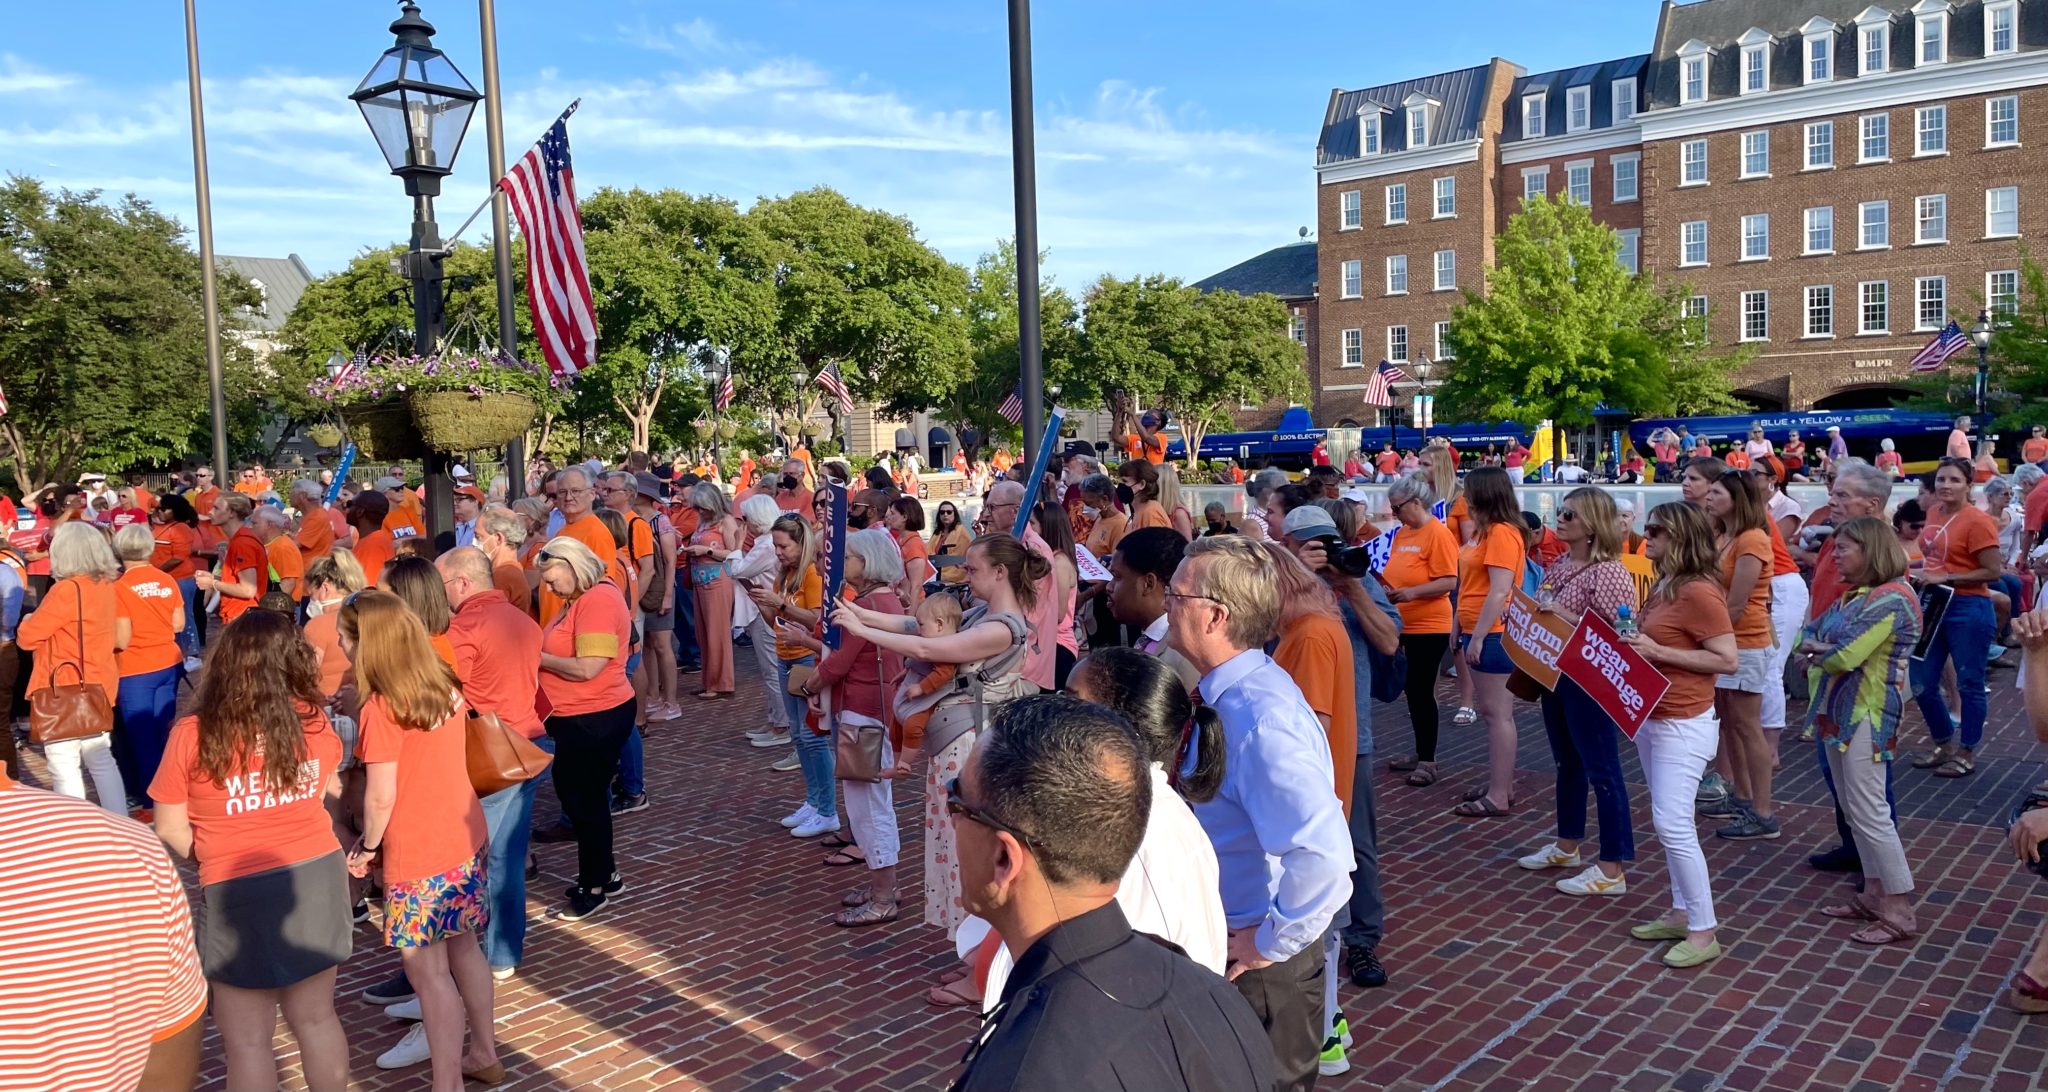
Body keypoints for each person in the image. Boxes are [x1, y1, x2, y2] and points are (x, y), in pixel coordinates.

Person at [945, 694, 1277, 1091]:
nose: (951, 820)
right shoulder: (1214, 995)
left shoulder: (1024, 1071)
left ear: (1004, 857)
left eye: (956, 800)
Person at [1163, 535, 1350, 1091]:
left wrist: (1270, 943)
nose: (1167, 607)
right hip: (1237, 947)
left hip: (1259, 966)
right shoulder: (1235, 697)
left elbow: (1323, 855)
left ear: (1216, 615)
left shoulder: (1261, 719)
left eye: (1177, 596)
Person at [830, 532, 1043, 1007]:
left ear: (1000, 573)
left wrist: (862, 628)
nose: (965, 576)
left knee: (971, 856)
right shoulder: (983, 615)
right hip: (957, 740)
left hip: (970, 743)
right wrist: (861, 615)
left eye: (973, 568)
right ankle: (976, 961)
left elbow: (930, 650)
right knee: (958, 851)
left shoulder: (1002, 627)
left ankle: (984, 970)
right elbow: (916, 624)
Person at [147, 610, 351, 1092]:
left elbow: (171, 827)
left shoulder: (194, 734)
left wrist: (211, 853)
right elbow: (321, 788)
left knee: (248, 1041)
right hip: (315, 873)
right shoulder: (314, 720)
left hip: (234, 882)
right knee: (317, 1019)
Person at [337, 590, 502, 1086]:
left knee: (428, 975)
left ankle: (446, 1081)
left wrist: (366, 848)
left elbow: (381, 796)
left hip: (419, 847)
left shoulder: (383, 706)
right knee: (465, 949)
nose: (343, 649)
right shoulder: (441, 682)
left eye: (347, 640)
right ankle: (485, 1052)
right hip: (462, 829)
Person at [0, 754, 208, 1091]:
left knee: (66, 760)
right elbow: (167, 1054)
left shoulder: (191, 731)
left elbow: (171, 825)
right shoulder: (128, 847)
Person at [1620, 502, 1739, 969]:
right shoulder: (1666, 585)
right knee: (1668, 820)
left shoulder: (1697, 592)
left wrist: (1655, 650)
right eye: (1647, 528)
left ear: (1681, 538)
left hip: (1683, 720)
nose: (1646, 536)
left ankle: (1704, 928)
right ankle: (1680, 911)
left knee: (1673, 823)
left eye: (1657, 531)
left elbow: (1727, 659)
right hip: (1655, 714)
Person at [1794, 516, 1922, 946]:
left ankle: (1900, 907)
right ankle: (1873, 892)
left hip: (1868, 712)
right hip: (1839, 710)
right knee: (1854, 807)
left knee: (1869, 810)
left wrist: (1819, 651)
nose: (1835, 556)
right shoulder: (1857, 597)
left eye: (1844, 549)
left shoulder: (1893, 599)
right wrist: (1819, 649)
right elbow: (1808, 633)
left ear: (1869, 550)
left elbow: (1845, 656)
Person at [1516, 488, 1639, 895]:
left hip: (1590, 680)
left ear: (1591, 525)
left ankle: (1611, 867)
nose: (1561, 518)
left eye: (1570, 513)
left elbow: (1624, 633)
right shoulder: (1562, 561)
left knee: (1603, 770)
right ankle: (1567, 844)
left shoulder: (1610, 571)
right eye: (1562, 512)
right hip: (1557, 672)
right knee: (1568, 763)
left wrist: (1560, 614)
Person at [438, 547, 547, 979]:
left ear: (462, 583)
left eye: (444, 585)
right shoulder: (523, 619)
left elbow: (448, 690)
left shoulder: (464, 627)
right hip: (528, 743)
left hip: (486, 751)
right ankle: (503, 951)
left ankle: (464, 953)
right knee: (507, 856)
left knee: (466, 858)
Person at [791, 528, 908, 921]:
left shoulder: (870, 604)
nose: (841, 565)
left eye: (849, 557)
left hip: (865, 715)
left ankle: (883, 896)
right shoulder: (886, 601)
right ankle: (884, 885)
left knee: (867, 808)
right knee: (873, 804)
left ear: (867, 562)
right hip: (876, 711)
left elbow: (839, 663)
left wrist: (809, 684)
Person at [533, 536, 638, 923]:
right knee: (580, 796)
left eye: (550, 579)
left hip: (595, 715)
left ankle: (594, 884)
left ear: (572, 566)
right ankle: (604, 873)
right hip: (582, 715)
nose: (547, 587)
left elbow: (589, 667)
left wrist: (536, 656)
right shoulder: (583, 598)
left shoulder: (597, 600)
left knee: (584, 799)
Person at [1694, 466, 1781, 840]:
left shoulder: (1752, 540)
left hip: (1743, 641)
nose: (1709, 498)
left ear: (1737, 499)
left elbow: (1736, 603)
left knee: (1747, 726)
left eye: (1716, 493)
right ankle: (1743, 796)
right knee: (1731, 724)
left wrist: (1704, 638)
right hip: (1725, 639)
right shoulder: (1723, 536)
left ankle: (1762, 811)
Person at [19, 521, 125, 810]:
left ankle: (81, 825)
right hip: (98, 681)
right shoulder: (105, 584)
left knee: (63, 764)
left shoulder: (65, 590)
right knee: (101, 759)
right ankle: (120, 821)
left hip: (63, 686)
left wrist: (28, 621)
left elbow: (28, 638)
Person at [1910, 457, 2004, 777]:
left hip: (1968, 609)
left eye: (1953, 480)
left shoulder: (1978, 521)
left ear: (1969, 485)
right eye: (1940, 480)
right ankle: (1944, 744)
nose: (1945, 486)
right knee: (1921, 679)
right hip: (1934, 604)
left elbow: (1992, 571)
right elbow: (1933, 556)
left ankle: (1967, 750)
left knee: (1969, 682)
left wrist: (1947, 576)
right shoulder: (1933, 511)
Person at [750, 515, 834, 838]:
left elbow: (816, 620)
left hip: (805, 657)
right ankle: (813, 801)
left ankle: (826, 808)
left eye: (783, 546)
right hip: (786, 656)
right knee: (799, 735)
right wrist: (763, 604)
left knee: (813, 737)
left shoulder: (812, 574)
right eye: (775, 546)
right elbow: (776, 623)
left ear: (802, 544)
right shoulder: (783, 575)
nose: (778, 552)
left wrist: (780, 604)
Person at [1454, 467, 1527, 818]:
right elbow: (1469, 584)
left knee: (1497, 714)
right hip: (1476, 627)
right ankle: (1502, 783)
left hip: (1494, 632)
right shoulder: (1484, 533)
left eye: (1468, 492)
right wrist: (1459, 625)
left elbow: (1499, 590)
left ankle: (1500, 793)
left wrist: (1478, 635)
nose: (1463, 499)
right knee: (1493, 714)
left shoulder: (1501, 533)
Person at [1380, 475, 1458, 786]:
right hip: (1404, 622)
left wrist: (1412, 593)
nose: (1394, 513)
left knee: (1422, 690)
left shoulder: (1437, 534)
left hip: (1430, 624)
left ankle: (1428, 759)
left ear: (1416, 503)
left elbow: (1449, 581)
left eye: (1398, 507)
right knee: (1412, 691)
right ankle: (1420, 750)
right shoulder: (1401, 534)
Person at [110, 524, 184, 814]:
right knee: (163, 729)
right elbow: (178, 623)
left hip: (135, 667)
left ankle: (152, 801)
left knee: (141, 737)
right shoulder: (166, 579)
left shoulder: (119, 587)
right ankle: (172, 790)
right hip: (168, 662)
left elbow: (122, 637)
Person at [1108, 527, 1201, 690]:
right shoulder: (1150, 638)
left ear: (1148, 584)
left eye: (1117, 577)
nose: (1109, 587)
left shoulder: (1181, 658)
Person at [628, 474, 681, 723]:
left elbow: (670, 561)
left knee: (662, 645)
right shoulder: (635, 520)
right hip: (643, 591)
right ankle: (652, 695)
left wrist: (667, 595)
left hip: (659, 591)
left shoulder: (661, 522)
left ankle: (671, 701)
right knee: (647, 644)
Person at [682, 482, 740, 705]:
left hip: (717, 580)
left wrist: (706, 550)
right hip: (699, 580)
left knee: (717, 633)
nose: (700, 511)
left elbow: (733, 552)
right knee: (703, 633)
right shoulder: (702, 522)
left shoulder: (726, 521)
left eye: (703, 507)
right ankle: (709, 680)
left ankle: (721, 682)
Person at [196, 492, 269, 623]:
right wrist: (214, 578)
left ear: (232, 513)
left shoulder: (242, 542)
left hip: (241, 618)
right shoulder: (240, 539)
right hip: (241, 616)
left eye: (216, 508)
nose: (210, 512)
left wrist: (212, 583)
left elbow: (248, 590)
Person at [887, 496, 931, 610]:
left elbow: (915, 586)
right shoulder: (900, 541)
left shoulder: (913, 544)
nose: (889, 517)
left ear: (904, 517)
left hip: (911, 607)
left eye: (892, 513)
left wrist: (910, 618)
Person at [1120, 458, 1173, 531]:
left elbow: (1157, 541)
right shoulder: (1139, 511)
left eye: (1125, 481)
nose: (1120, 485)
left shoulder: (1151, 512)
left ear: (1142, 484)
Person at [929, 501, 971, 586]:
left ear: (954, 514)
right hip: (936, 571)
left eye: (949, 512)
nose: (945, 515)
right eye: (942, 512)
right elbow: (929, 551)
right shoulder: (937, 532)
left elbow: (962, 556)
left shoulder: (961, 531)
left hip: (955, 574)